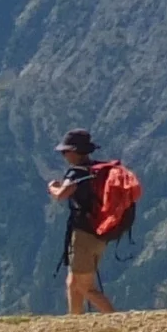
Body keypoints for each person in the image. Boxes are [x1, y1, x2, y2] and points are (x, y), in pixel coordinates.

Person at [46, 129, 121, 315]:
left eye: (65, 152)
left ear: (74, 151)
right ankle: (75, 321)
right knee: (72, 282)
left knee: (84, 286)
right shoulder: (96, 170)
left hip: (83, 235)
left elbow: (62, 195)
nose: (64, 156)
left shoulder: (76, 173)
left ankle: (117, 319)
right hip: (99, 232)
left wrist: (52, 188)